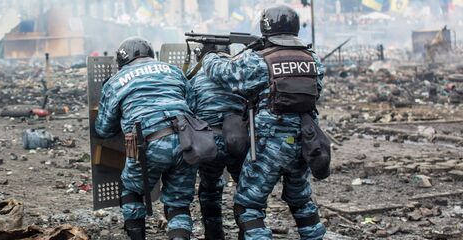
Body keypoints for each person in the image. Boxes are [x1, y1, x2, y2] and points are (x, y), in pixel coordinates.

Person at [201, 5, 326, 240]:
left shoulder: (259, 60)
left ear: (266, 27)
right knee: (301, 201)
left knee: (249, 206)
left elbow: (224, 74)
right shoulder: (314, 60)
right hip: (306, 140)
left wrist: (209, 55)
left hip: (270, 144)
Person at [94, 37, 196, 240]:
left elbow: (103, 129)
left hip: (148, 144)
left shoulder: (116, 81)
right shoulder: (173, 70)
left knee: (131, 189)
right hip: (187, 140)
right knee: (178, 202)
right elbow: (192, 105)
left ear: (123, 60)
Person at [190, 45, 247, 239]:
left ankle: (214, 233)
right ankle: (248, 231)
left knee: (210, 187)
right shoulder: (239, 76)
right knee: (245, 187)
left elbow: (189, 111)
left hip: (208, 141)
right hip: (238, 139)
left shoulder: (195, 78)